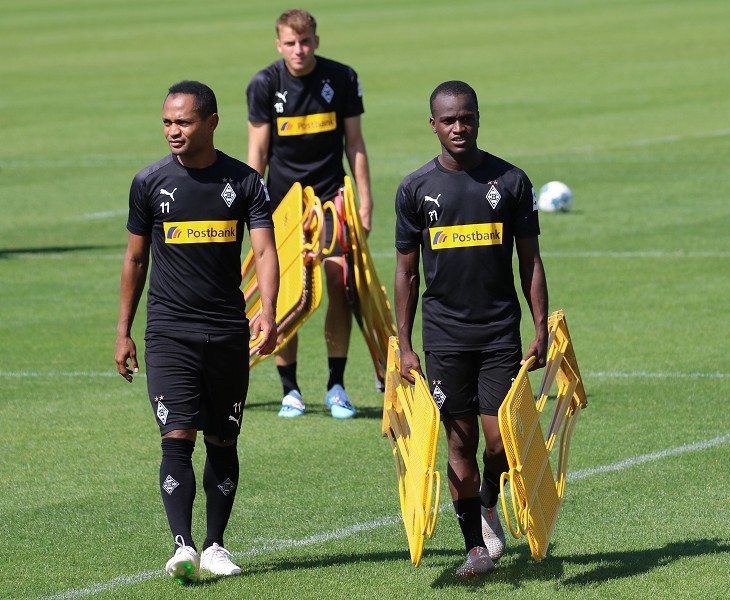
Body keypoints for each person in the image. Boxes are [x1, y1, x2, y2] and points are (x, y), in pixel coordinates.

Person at [115, 81, 279, 583]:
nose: (174, 131)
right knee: (177, 436)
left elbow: (266, 251)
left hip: (227, 331)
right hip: (169, 332)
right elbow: (135, 259)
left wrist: (267, 309)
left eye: (183, 122)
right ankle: (182, 545)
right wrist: (123, 331)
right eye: (167, 122)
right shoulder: (149, 183)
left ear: (210, 121)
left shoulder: (245, 182)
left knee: (223, 440)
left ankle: (216, 546)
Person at [393, 81, 549, 576]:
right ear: (433, 125)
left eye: (467, 118)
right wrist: (404, 345)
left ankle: (486, 501)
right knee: (458, 441)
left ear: (478, 119)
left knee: (500, 441)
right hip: (443, 337)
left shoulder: (511, 181)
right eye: (449, 120)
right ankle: (474, 548)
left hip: (499, 332)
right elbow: (405, 272)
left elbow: (530, 261)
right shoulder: (416, 190)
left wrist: (540, 325)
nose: (459, 127)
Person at [246, 8, 374, 419]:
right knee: (285, 294)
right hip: (283, 206)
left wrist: (365, 200)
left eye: (305, 42)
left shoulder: (342, 77)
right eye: (290, 43)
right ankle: (291, 390)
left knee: (338, 283)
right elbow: (258, 153)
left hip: (331, 199)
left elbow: (354, 143)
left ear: (316, 41)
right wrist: (252, 210)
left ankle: (337, 385)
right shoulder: (265, 84)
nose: (298, 50)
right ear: (278, 44)